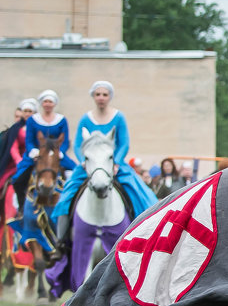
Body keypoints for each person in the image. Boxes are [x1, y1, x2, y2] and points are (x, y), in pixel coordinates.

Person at [51, 81, 158, 244]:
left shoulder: (118, 117)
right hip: (89, 165)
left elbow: (124, 143)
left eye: (105, 95)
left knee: (140, 193)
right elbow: (79, 144)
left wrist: (116, 162)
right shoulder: (86, 118)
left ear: (110, 97)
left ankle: (144, 235)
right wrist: (83, 162)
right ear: (93, 96)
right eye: (98, 94)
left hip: (114, 165)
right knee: (67, 193)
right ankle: (61, 240)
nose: (101, 98)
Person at [10, 90, 75, 213]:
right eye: (45, 101)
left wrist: (60, 152)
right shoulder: (33, 120)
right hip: (37, 155)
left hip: (56, 155)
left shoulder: (61, 120)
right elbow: (29, 140)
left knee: (74, 173)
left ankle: (71, 207)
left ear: (54, 104)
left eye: (50, 101)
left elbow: (65, 140)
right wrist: (33, 152)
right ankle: (21, 207)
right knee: (19, 178)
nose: (47, 104)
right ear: (41, 104)